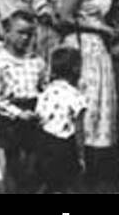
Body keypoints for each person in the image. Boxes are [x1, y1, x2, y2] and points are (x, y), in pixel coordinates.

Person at [57, 0, 118, 176]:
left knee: (100, 103)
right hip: (82, 46)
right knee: (85, 100)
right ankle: (77, 164)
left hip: (100, 48)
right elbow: (64, 18)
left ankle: (97, 165)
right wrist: (97, 28)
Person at [0, 10, 45, 191]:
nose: (26, 38)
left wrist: (41, 109)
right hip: (11, 118)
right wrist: (18, 113)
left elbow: (43, 87)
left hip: (34, 114)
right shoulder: (0, 63)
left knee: (33, 165)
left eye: (30, 34)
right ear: (7, 33)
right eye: (21, 33)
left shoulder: (36, 61)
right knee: (14, 166)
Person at [34, 46, 88, 192]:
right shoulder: (76, 96)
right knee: (68, 186)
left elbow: (39, 116)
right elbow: (79, 129)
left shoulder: (46, 92)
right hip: (65, 146)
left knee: (47, 184)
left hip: (44, 143)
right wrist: (81, 156)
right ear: (76, 69)